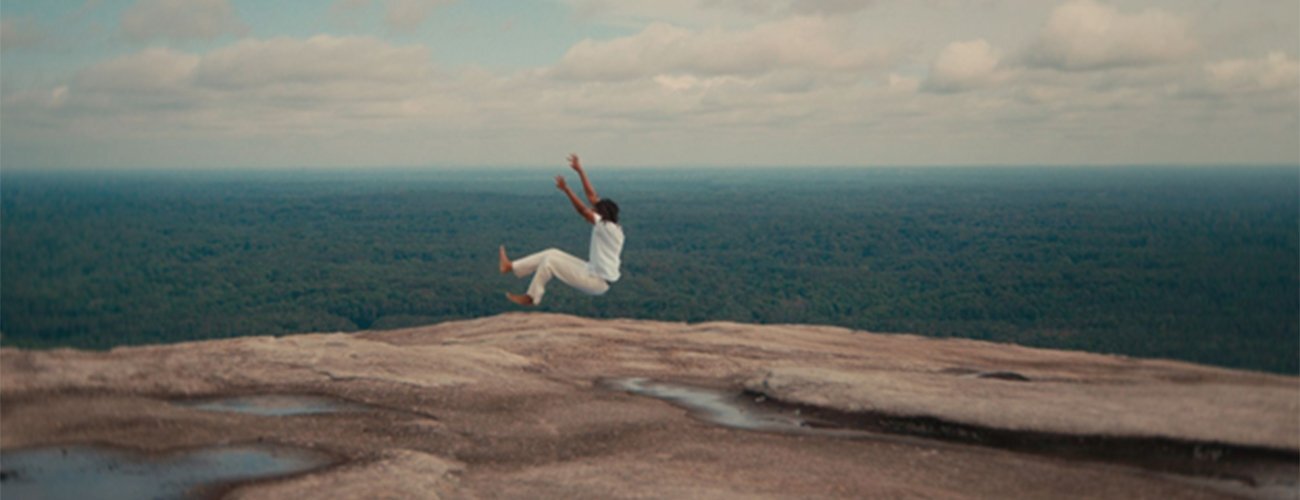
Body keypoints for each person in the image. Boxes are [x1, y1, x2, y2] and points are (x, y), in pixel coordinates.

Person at [499, 154, 624, 306]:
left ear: (602, 213)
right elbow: (592, 196)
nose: (592, 210)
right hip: (592, 271)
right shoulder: (612, 226)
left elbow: (583, 210)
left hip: (597, 282)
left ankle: (532, 297)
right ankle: (511, 267)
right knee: (551, 253)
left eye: (595, 210)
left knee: (550, 262)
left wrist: (566, 189)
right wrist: (580, 171)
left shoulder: (606, 227)